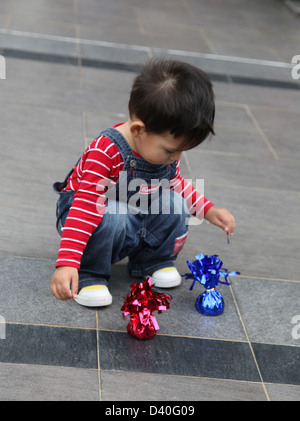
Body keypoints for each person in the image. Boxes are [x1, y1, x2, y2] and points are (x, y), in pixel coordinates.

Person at [50, 58, 235, 307]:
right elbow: (84, 206)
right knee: (111, 214)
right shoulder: (106, 151)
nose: (176, 158)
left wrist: (208, 210)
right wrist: (67, 262)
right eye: (170, 151)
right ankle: (89, 273)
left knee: (173, 202)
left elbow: (176, 183)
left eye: (182, 151)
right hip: (86, 214)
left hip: (133, 211)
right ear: (138, 130)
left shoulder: (159, 150)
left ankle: (151, 262)